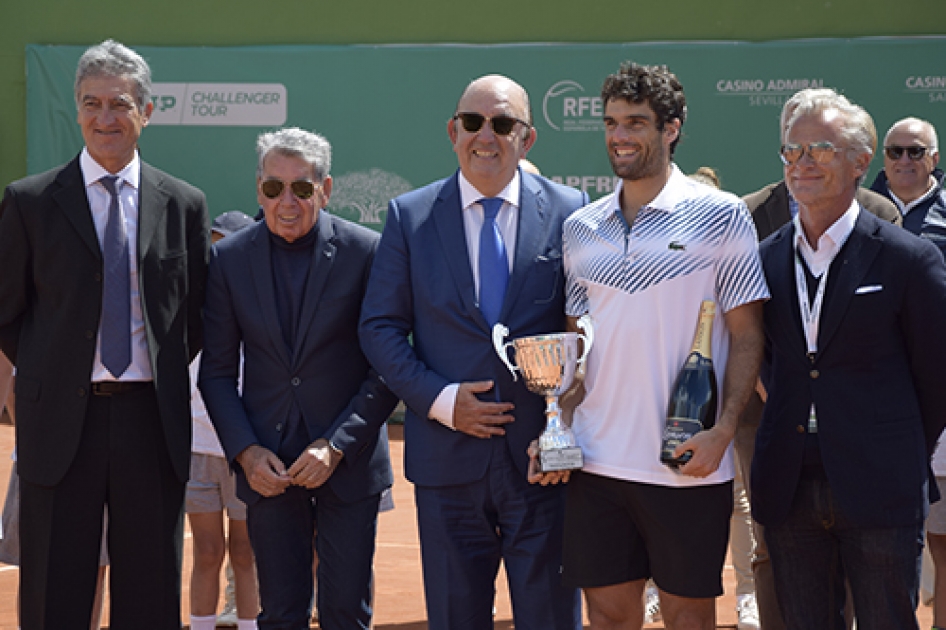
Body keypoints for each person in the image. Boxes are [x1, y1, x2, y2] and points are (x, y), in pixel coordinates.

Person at [359, 74, 587, 630]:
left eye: (504, 124)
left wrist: (565, 425)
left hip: (540, 464)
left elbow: (584, 330)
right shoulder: (409, 216)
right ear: (452, 131)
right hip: (447, 463)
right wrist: (439, 400)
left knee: (552, 619)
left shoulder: (571, 210)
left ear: (527, 138)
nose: (487, 136)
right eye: (473, 123)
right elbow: (380, 327)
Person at [546, 61, 768, 630]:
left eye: (636, 123)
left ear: (670, 129)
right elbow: (578, 347)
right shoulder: (581, 227)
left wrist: (723, 430)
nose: (620, 136)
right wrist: (558, 421)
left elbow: (747, 335)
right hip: (597, 460)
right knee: (609, 616)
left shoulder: (721, 216)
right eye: (612, 122)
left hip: (685, 463)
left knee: (689, 619)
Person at [0, 39, 209, 629]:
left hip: (151, 421)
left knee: (149, 590)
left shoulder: (183, 205)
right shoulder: (30, 201)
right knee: (53, 592)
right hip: (60, 424)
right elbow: (7, 311)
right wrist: (47, 376)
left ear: (147, 110)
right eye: (91, 104)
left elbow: (192, 317)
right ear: (76, 110)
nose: (105, 118)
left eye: (119, 104)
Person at [753, 87, 946, 629]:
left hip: (881, 483)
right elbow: (768, 361)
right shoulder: (764, 259)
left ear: (861, 161)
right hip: (789, 484)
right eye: (793, 151)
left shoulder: (908, 257)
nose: (802, 162)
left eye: (820, 149)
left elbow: (935, 376)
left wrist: (895, 442)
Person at [199, 127, 398, 630]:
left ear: (325, 190)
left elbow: (386, 367)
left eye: (302, 188)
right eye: (273, 188)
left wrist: (334, 445)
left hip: (347, 467)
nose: (286, 201)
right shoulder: (228, 259)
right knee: (280, 615)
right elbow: (218, 373)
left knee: (346, 614)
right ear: (259, 188)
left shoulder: (367, 251)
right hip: (269, 470)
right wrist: (245, 452)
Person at [188, 211, 258, 630]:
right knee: (207, 552)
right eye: (213, 244)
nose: (219, 253)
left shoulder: (257, 311)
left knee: (246, 552)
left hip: (243, 453)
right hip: (197, 451)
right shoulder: (192, 311)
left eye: (226, 243)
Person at [869, 117, 946, 254]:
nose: (904, 161)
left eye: (915, 152)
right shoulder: (859, 209)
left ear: (934, 159)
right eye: (895, 152)